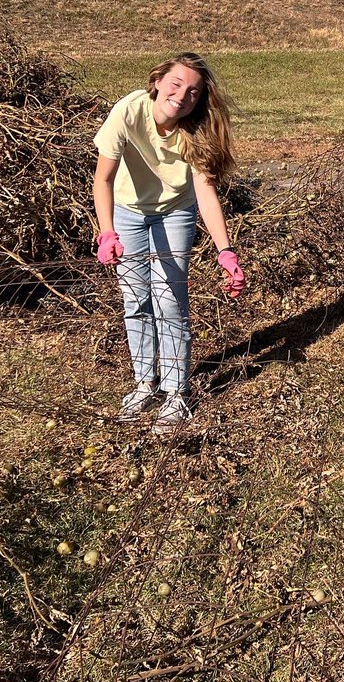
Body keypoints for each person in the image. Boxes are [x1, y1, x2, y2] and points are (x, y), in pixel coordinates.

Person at [92, 52, 245, 435]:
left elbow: (206, 194)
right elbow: (103, 180)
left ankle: (176, 391)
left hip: (175, 212)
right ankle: (145, 383)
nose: (182, 95)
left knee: (169, 299)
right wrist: (106, 232)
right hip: (128, 210)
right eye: (176, 84)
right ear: (158, 80)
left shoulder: (195, 130)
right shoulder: (128, 112)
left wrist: (225, 250)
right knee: (135, 297)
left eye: (193, 92)